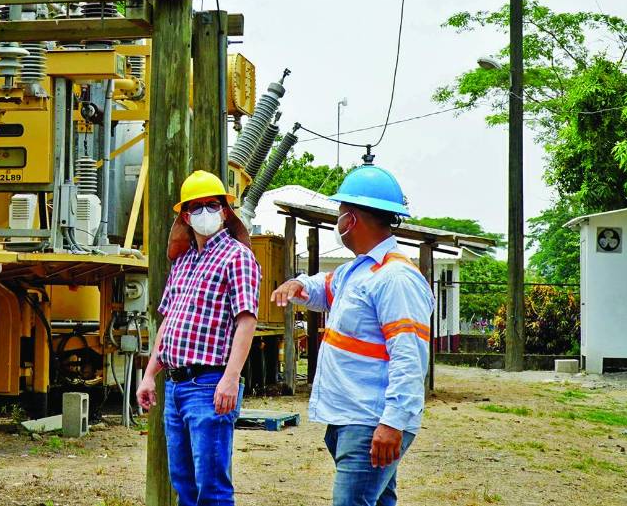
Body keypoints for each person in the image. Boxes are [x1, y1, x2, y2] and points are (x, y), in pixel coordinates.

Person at [271, 161, 433, 506]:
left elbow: (409, 357)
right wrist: (298, 283)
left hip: (370, 419)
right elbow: (322, 289)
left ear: (352, 219)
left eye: (341, 211)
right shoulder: (357, 271)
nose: (338, 220)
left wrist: (393, 423)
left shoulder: (395, 278)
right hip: (352, 418)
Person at [136, 170, 261, 506]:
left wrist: (230, 379)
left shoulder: (238, 257)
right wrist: (150, 375)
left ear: (224, 211)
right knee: (185, 485)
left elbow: (246, 321)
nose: (205, 212)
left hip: (209, 384)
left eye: (212, 204)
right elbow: (169, 321)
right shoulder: (185, 260)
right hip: (176, 386)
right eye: (197, 206)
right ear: (186, 216)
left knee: (212, 487)